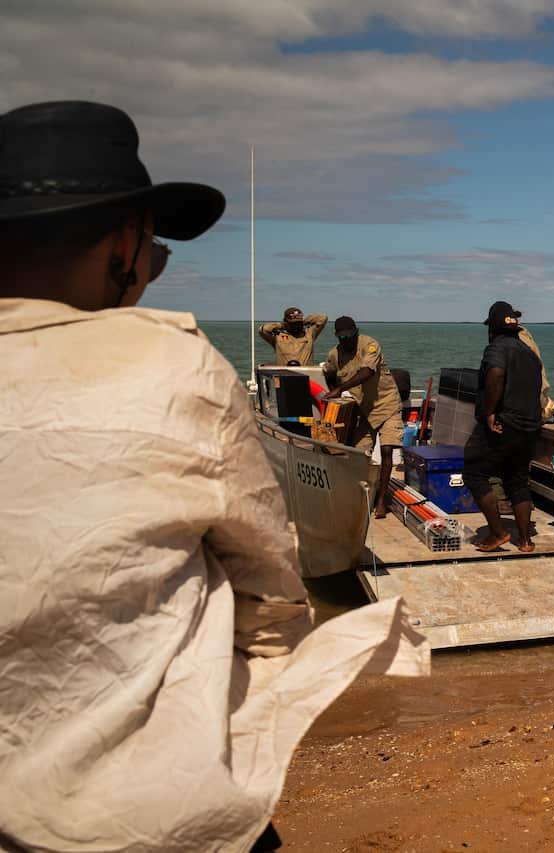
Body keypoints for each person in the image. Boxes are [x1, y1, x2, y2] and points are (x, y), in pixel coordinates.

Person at [0, 101, 428, 853]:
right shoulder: (175, 368)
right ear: (123, 246)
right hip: (148, 809)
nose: (154, 267)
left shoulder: (344, 347)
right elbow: (269, 592)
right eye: (157, 249)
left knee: (374, 445)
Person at [462, 301, 545, 552]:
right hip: (529, 427)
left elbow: (496, 374)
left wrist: (489, 412)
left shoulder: (497, 347)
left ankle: (498, 533)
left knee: (474, 472)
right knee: (516, 480)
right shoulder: (530, 354)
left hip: (503, 424)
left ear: (492, 329)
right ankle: (525, 541)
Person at [321, 315, 403, 516]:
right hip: (364, 411)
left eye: (349, 336)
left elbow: (367, 372)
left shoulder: (370, 345)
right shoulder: (334, 354)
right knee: (359, 455)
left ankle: (382, 501)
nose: (346, 340)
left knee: (386, 450)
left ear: (356, 333)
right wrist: (334, 391)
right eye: (341, 337)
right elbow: (328, 373)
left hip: (387, 405)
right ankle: (361, 495)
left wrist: (340, 389)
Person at [258, 306, 327, 365]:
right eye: (293, 324)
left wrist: (303, 321)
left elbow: (323, 318)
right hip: (284, 374)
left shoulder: (309, 333)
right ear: (286, 322)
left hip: (305, 373)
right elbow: (263, 329)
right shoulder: (278, 336)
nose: (296, 326)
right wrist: (282, 325)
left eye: (298, 323)